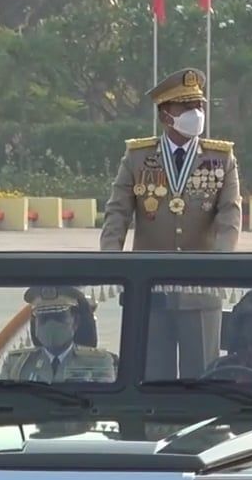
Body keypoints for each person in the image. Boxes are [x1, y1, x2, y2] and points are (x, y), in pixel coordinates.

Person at [100, 67, 243, 378]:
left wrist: (222, 262)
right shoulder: (138, 157)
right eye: (187, 107)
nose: (197, 113)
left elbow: (229, 214)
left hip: (201, 290)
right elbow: (117, 211)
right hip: (149, 290)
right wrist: (111, 259)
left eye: (199, 105)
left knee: (201, 379)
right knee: (152, 379)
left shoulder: (221, 159)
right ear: (166, 115)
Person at [0, 286, 118, 383]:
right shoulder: (16, 365)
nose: (51, 324)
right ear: (35, 323)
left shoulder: (98, 363)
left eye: (58, 317)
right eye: (44, 318)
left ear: (75, 322)